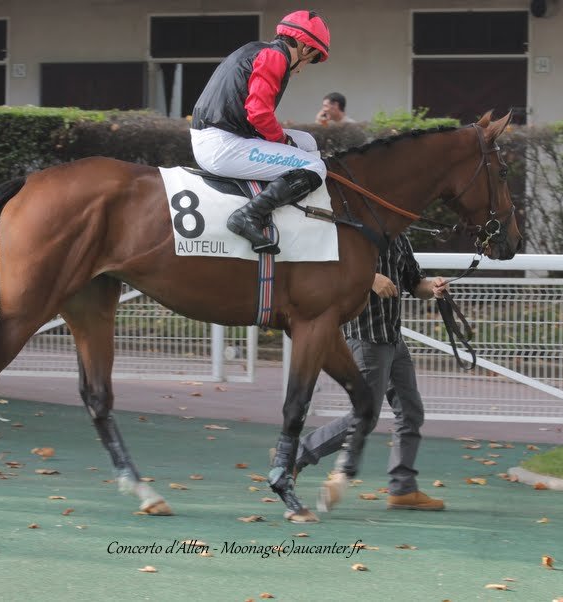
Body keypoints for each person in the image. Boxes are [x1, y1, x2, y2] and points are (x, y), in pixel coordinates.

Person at [295, 233, 447, 510]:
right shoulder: (352, 234)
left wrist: (433, 287)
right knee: (364, 416)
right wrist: (369, 279)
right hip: (366, 340)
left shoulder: (399, 237)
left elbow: (415, 283)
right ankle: (295, 456)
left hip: (393, 340)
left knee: (410, 412)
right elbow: (328, 275)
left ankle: (402, 489)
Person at [190, 10, 330, 255]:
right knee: (315, 167)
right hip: (222, 144)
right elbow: (259, 114)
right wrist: (283, 141)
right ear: (305, 48)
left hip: (221, 135)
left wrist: (286, 142)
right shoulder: (276, 57)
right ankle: (248, 216)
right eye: (310, 60)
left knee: (307, 142)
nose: (302, 69)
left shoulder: (257, 49)